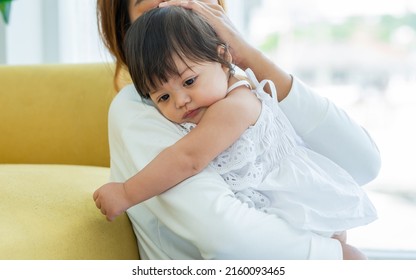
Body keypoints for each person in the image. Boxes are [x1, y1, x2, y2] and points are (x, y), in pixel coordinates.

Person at [95, 0, 381, 260]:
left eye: (189, 81)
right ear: (126, 29)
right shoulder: (137, 108)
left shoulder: (237, 95)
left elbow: (363, 164)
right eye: (156, 8)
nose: (180, 100)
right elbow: (226, 237)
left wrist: (248, 56)